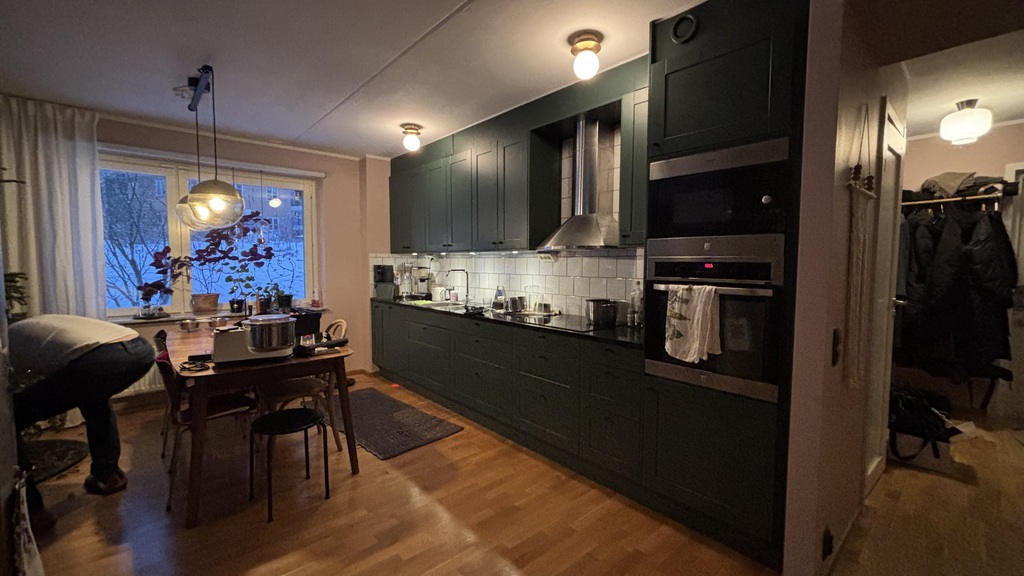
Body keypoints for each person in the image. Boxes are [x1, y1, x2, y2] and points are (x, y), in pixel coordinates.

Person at [8, 315, 155, 529]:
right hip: (140, 348)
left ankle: (33, 510)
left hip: (103, 357)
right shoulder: (27, 328)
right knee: (93, 399)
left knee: (11, 417)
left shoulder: (8, 344)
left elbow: (15, 384)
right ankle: (108, 476)